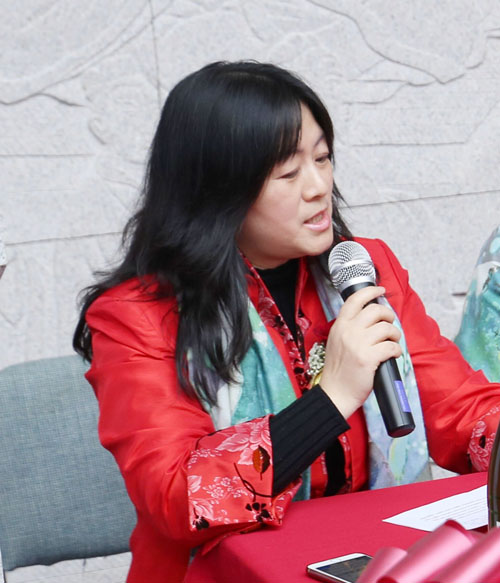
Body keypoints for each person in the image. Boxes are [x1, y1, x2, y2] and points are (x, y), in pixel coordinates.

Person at [73, 61, 500, 583]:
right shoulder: (136, 317)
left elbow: (458, 408)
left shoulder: (364, 269)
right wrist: (332, 398)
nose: (319, 187)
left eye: (322, 158)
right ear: (219, 190)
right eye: (288, 173)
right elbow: (176, 496)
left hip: (378, 559)